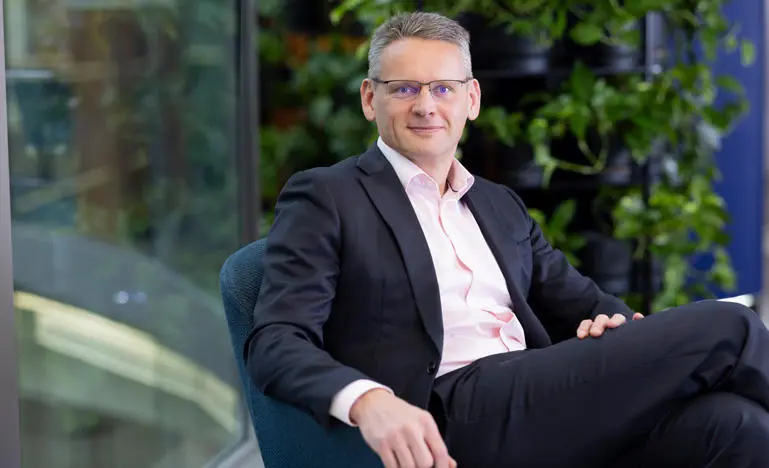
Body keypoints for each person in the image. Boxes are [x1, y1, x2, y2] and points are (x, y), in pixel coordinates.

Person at [245, 11, 769, 468]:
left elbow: (586, 301)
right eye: (404, 89)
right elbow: (275, 342)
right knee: (731, 323)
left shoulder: (498, 204)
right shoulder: (327, 196)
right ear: (369, 98)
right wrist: (368, 399)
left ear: (471, 99)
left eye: (443, 88)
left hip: (538, 399)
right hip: (449, 413)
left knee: (735, 424)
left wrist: (615, 324)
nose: (426, 106)